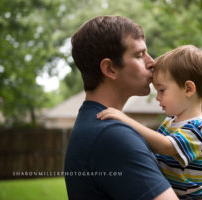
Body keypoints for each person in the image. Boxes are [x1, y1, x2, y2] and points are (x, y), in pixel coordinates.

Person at [64, 15, 179, 200]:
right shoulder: (112, 136)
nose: (152, 63)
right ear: (110, 69)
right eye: (139, 55)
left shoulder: (93, 124)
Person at [97, 45, 202, 200]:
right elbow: (149, 146)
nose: (157, 97)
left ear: (188, 89)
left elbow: (165, 146)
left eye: (162, 90)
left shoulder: (197, 129)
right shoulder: (171, 122)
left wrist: (124, 119)